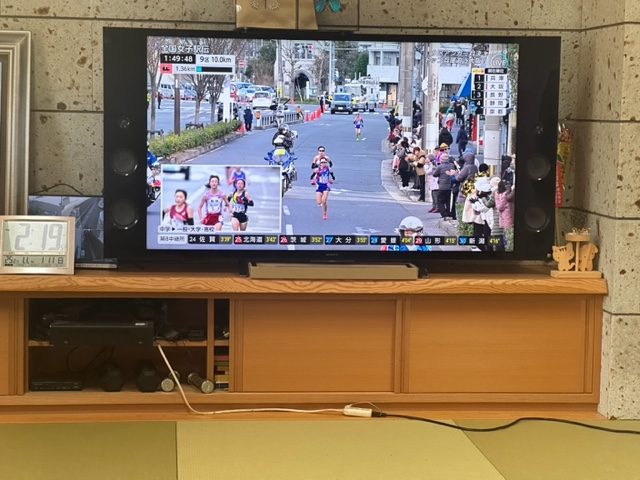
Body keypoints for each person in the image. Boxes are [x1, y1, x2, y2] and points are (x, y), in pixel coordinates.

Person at [432, 152, 456, 218]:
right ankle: (449, 214)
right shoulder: (451, 165)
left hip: (442, 186)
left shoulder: (440, 167)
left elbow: (434, 174)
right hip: (450, 186)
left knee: (440, 201)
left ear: (441, 160)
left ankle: (444, 214)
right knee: (448, 201)